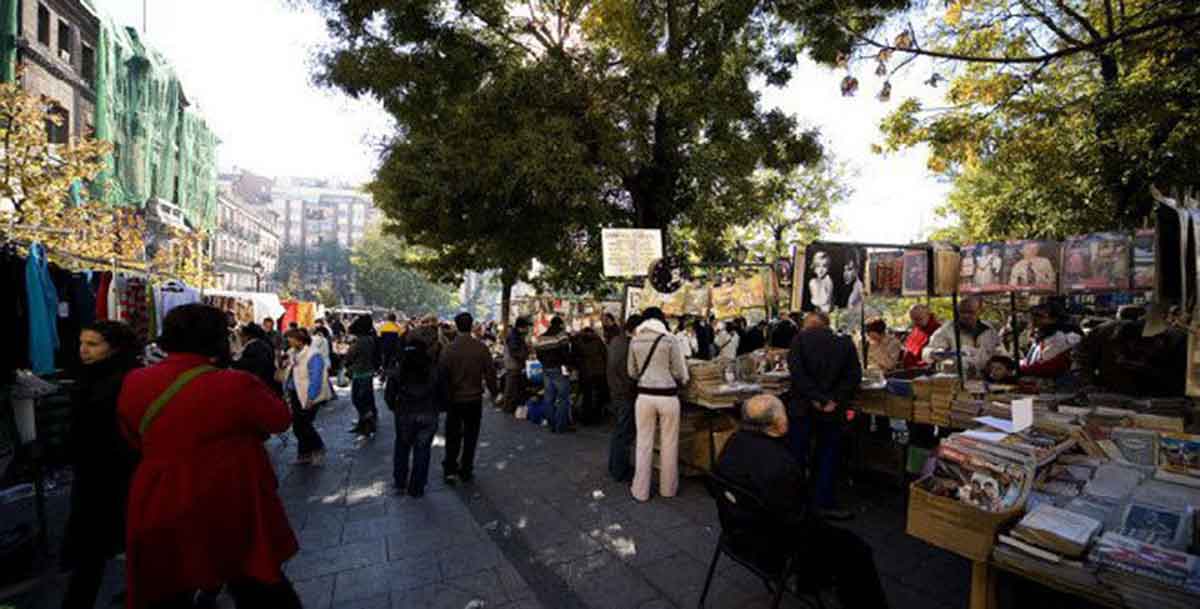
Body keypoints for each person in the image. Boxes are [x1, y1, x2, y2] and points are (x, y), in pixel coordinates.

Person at [116, 304, 300, 609]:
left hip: (158, 494)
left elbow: (132, 435)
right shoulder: (235, 383)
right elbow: (279, 419)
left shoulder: (135, 381)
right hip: (229, 494)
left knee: (168, 583)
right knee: (257, 583)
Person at [715, 395, 889, 609]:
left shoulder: (734, 443)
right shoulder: (779, 465)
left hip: (735, 532)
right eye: (784, 414)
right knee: (856, 551)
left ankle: (812, 581)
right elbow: (799, 522)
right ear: (778, 424)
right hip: (768, 548)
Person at [60, 322, 141, 609]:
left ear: (114, 347)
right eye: (82, 343)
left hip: (116, 472)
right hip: (95, 471)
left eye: (93, 345)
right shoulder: (89, 376)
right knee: (96, 549)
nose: (83, 350)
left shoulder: (125, 380)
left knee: (102, 545)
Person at [788, 311, 861, 520]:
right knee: (827, 455)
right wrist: (833, 400)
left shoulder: (799, 340)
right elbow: (853, 376)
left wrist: (815, 397)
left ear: (808, 324)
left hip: (803, 407)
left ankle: (795, 500)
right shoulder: (845, 342)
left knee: (797, 454)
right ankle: (823, 501)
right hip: (832, 410)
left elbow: (797, 374)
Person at [627, 307, 690, 502]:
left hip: (644, 397)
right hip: (668, 397)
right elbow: (680, 372)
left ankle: (640, 491)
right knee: (669, 443)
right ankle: (668, 489)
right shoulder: (670, 339)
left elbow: (632, 372)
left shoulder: (635, 340)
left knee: (643, 444)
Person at [439, 312, 499, 484]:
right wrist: (495, 393)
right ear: (471, 325)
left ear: (456, 326)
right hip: (473, 399)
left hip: (454, 399)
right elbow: (490, 374)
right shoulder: (481, 348)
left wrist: (443, 398)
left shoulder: (448, 349)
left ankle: (450, 468)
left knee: (452, 435)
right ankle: (466, 468)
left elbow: (442, 376)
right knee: (471, 435)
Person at [385, 338, 445, 497]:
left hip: (405, 414)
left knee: (402, 448)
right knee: (423, 450)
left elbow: (389, 395)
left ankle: (400, 482)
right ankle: (417, 487)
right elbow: (443, 393)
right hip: (428, 414)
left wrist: (394, 408)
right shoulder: (433, 369)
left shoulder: (399, 369)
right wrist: (439, 408)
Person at [1071, 315, 1187, 396]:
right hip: (1110, 395)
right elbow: (1080, 357)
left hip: (1155, 398)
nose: (1120, 358)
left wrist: (1147, 369)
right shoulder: (1104, 332)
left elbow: (1179, 382)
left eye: (1141, 352)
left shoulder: (1176, 343)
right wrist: (1087, 383)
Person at [283, 328, 332, 465]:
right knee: (298, 426)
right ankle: (304, 454)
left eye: (291, 338)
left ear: (299, 340)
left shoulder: (313, 355)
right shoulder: (292, 353)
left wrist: (311, 397)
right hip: (295, 393)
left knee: (304, 425)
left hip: (307, 395)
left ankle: (318, 448)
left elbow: (316, 378)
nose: (289, 341)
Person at [923, 297, 1003, 374]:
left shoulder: (989, 329)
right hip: (956, 379)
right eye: (962, 312)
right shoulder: (947, 329)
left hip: (985, 378)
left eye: (970, 312)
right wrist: (933, 353)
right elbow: (927, 351)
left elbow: (1000, 352)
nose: (966, 316)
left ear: (980, 311)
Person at [607, 315, 642, 482]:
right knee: (624, 433)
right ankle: (620, 469)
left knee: (619, 431)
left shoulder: (616, 341)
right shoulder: (629, 345)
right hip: (625, 394)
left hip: (616, 392)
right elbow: (628, 373)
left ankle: (615, 466)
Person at [1020, 302, 1082, 382]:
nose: (1034, 319)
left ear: (1054, 319)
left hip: (1055, 387)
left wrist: (1021, 368)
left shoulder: (1062, 336)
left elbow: (1050, 366)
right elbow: (1031, 360)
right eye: (1033, 315)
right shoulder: (1043, 334)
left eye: (1039, 316)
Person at [535, 316, 575, 433]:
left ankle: (552, 424)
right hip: (558, 369)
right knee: (563, 398)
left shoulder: (541, 338)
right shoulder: (561, 336)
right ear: (561, 325)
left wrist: (545, 364)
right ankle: (560, 426)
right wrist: (568, 365)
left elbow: (538, 355)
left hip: (546, 369)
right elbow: (566, 353)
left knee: (549, 397)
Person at [346, 315, 379, 437]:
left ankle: (368, 424)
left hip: (360, 373)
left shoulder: (360, 341)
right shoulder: (370, 339)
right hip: (367, 372)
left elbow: (350, 355)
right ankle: (365, 424)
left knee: (358, 400)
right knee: (365, 400)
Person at [572, 326, 609, 425]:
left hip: (585, 372)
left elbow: (574, 357)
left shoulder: (577, 341)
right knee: (598, 396)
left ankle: (586, 418)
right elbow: (605, 354)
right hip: (599, 372)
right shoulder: (598, 340)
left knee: (586, 396)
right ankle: (596, 417)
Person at [232, 322, 279, 394]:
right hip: (266, 381)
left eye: (241, 335)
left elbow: (247, 365)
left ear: (247, 336)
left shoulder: (253, 347)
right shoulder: (263, 344)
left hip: (258, 383)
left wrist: (232, 361)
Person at [502, 317, 532, 413]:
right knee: (511, 388)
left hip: (515, 365)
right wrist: (526, 356)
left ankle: (511, 408)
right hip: (513, 365)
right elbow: (515, 352)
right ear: (521, 327)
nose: (528, 329)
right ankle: (507, 408)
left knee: (515, 388)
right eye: (527, 327)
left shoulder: (517, 335)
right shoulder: (514, 336)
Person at [900, 304, 939, 369]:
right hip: (910, 369)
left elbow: (936, 356)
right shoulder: (917, 329)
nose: (915, 322)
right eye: (913, 319)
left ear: (928, 315)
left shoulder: (938, 331)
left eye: (919, 319)